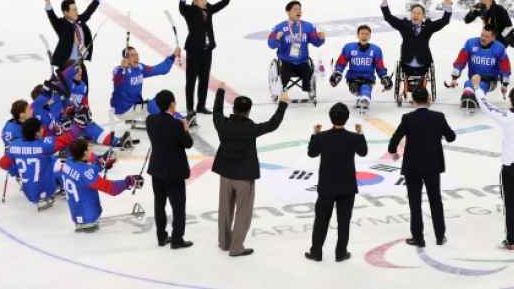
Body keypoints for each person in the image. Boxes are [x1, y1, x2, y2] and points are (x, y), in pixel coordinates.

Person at [212, 83, 289, 257]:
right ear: (248, 111)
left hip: (225, 175)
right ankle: (236, 247)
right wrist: (282, 104)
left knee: (225, 210)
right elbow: (273, 124)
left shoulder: (223, 124)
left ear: (233, 108)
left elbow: (216, 113)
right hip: (244, 178)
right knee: (243, 213)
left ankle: (224, 242)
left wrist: (220, 92)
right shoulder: (251, 128)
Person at [388, 86, 456, 247]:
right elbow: (451, 137)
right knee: (435, 200)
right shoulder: (438, 117)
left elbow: (395, 139)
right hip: (433, 165)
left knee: (415, 203)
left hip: (413, 166)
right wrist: (439, 134)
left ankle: (418, 237)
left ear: (413, 100)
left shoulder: (408, 118)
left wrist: (392, 152)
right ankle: (440, 236)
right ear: (429, 98)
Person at [305, 103, 367, 262]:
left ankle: (316, 252)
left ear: (330, 117)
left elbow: (312, 153)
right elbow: (363, 152)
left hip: (327, 186)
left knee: (321, 219)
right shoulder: (353, 138)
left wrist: (314, 134)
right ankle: (341, 253)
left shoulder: (322, 137)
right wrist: (360, 133)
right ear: (347, 118)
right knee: (344, 221)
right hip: (347, 187)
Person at [0, 112, 88, 204]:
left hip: (28, 192)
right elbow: (66, 139)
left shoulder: (14, 145)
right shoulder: (43, 146)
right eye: (41, 128)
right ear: (37, 133)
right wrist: (78, 125)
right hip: (46, 190)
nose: (43, 130)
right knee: (60, 162)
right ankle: (65, 185)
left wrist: (10, 152)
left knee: (46, 159)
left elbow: (3, 164)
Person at [57, 138, 144, 231]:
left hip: (77, 211)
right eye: (88, 147)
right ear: (85, 152)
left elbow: (83, 169)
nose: (90, 148)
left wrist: (100, 164)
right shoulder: (86, 174)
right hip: (87, 218)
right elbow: (112, 188)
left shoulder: (69, 162)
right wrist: (129, 182)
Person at [381, 0, 452, 103]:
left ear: (423, 16)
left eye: (418, 13)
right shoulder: (404, 25)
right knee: (405, 74)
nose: (416, 15)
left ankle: (422, 93)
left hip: (423, 63)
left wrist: (448, 5)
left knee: (423, 75)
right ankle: (406, 92)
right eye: (414, 13)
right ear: (411, 14)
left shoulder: (428, 27)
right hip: (407, 63)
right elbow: (388, 18)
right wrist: (384, 1)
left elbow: (444, 21)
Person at [179, 0, 233, 117]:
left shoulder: (208, 9)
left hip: (207, 50)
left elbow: (223, 3)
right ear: (194, 0)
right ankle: (190, 108)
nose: (204, 1)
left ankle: (201, 105)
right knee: (191, 81)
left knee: (204, 79)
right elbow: (181, 8)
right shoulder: (189, 11)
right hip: (194, 51)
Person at [146, 90, 194, 249]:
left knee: (159, 204)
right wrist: (185, 129)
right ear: (171, 104)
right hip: (174, 171)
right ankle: (177, 239)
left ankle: (161, 236)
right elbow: (188, 143)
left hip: (157, 168)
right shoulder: (176, 125)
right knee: (178, 206)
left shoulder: (150, 120)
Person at [471, 74, 514, 251]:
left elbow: (487, 106)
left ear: (511, 102)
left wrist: (477, 87)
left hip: (510, 169)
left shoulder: (507, 117)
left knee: (510, 205)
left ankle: (512, 240)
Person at [41, 0, 107, 86]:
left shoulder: (80, 21)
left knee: (83, 90)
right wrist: (48, 3)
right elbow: (52, 16)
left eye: (76, 9)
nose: (76, 12)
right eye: (73, 10)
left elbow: (90, 10)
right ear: (65, 12)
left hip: (80, 64)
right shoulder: (61, 25)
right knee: (68, 92)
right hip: (66, 66)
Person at [110, 47, 192, 126]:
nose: (136, 57)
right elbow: (118, 80)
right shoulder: (119, 70)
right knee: (153, 105)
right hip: (123, 109)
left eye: (136, 54)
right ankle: (179, 121)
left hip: (135, 105)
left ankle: (177, 118)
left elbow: (160, 69)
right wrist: (122, 68)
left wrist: (173, 56)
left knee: (161, 100)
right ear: (126, 59)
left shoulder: (140, 68)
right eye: (132, 55)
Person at [268, 0, 325, 95]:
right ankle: (282, 92)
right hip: (286, 60)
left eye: (299, 9)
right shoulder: (279, 27)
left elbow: (316, 43)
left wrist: (320, 38)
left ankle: (308, 89)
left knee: (308, 73)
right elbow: (271, 44)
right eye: (295, 9)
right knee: (284, 76)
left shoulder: (308, 27)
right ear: (288, 12)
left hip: (302, 60)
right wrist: (277, 38)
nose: (298, 11)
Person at [447, 24, 511, 108]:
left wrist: (505, 84)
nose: (483, 38)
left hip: (490, 80)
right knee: (468, 83)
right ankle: (467, 95)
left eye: (487, 37)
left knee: (482, 85)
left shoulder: (500, 48)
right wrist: (454, 78)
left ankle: (476, 97)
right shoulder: (470, 43)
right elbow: (460, 61)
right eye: (482, 35)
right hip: (474, 78)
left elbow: (505, 67)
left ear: (493, 38)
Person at [330, 24, 392, 110]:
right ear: (357, 35)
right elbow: (341, 62)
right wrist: (337, 73)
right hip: (353, 78)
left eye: (367, 34)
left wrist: (384, 77)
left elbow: (380, 66)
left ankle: (365, 98)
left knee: (366, 87)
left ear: (370, 36)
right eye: (362, 33)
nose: (364, 36)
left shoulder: (376, 50)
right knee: (355, 89)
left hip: (368, 78)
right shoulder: (349, 47)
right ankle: (363, 96)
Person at [2, 100, 34, 177]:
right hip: (20, 165)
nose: (32, 110)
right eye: (29, 109)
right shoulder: (16, 131)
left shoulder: (13, 122)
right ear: (22, 115)